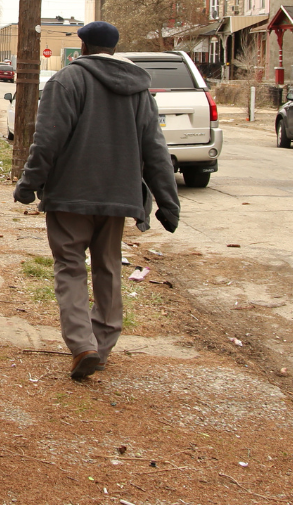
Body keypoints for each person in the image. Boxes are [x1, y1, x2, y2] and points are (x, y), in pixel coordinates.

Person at [12, 21, 180, 380]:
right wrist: (168, 203)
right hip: (118, 197)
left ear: (83, 47)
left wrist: (29, 184)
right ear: (114, 48)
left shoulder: (67, 81)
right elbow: (155, 149)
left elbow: (47, 140)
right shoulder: (138, 89)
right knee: (108, 266)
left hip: (69, 195)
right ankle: (101, 346)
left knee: (70, 267)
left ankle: (82, 344)